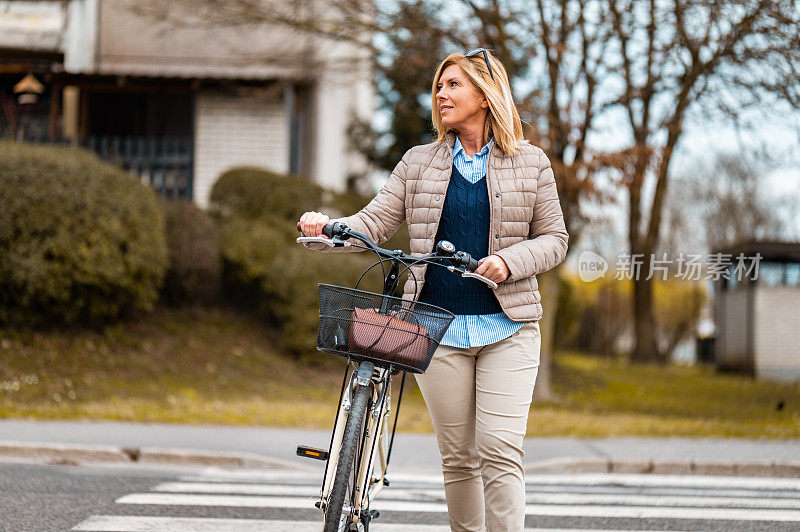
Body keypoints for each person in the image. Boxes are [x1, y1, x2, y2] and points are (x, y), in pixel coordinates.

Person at [299, 49, 568, 532]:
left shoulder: (531, 163)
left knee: (500, 450)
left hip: (508, 328)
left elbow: (554, 239)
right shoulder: (418, 162)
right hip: (436, 331)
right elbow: (375, 222)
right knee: (460, 457)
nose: (441, 95)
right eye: (439, 86)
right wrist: (329, 228)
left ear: (485, 96)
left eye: (454, 85)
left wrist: (508, 262)